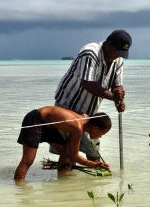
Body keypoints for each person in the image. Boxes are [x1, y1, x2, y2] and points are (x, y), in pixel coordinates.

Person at [52, 30, 132, 161]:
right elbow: (88, 84)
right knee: (67, 152)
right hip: (68, 105)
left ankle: (94, 179)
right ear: (109, 44)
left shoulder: (118, 60)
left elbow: (117, 84)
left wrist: (118, 96)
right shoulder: (90, 52)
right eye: (117, 52)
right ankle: (65, 176)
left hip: (90, 110)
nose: (118, 56)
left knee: (94, 151)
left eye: (121, 54)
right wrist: (113, 97)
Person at [14, 106, 112, 181]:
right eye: (102, 133)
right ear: (95, 128)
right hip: (36, 119)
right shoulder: (78, 129)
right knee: (28, 160)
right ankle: (19, 186)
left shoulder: (85, 118)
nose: (101, 136)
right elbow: (74, 156)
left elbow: (69, 149)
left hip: (49, 126)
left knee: (65, 154)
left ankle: (62, 181)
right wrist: (93, 164)